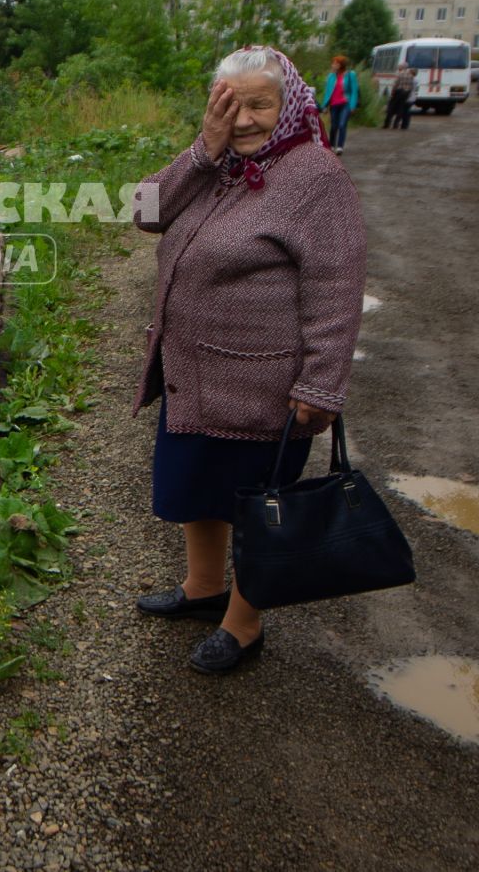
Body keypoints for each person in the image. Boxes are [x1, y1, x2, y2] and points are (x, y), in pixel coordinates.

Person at [130, 46, 367, 675]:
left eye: (259, 104)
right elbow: (141, 212)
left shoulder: (315, 177)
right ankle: (204, 588)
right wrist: (201, 150)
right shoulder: (217, 165)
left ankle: (245, 622)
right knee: (196, 490)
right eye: (228, 105)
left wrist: (322, 383)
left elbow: (336, 288)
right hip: (194, 376)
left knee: (254, 502)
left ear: (289, 103)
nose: (243, 120)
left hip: (265, 384)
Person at [320, 55, 357, 155]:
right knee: (334, 126)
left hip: (345, 103)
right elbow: (327, 92)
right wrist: (324, 106)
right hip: (334, 104)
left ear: (340, 65)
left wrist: (353, 105)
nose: (333, 65)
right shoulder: (331, 77)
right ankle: (332, 145)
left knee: (342, 124)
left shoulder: (350, 75)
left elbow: (354, 91)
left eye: (335, 63)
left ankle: (340, 146)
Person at [386, 62, 416, 130]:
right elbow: (411, 86)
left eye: (399, 67)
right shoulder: (410, 75)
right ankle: (396, 124)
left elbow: (396, 84)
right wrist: (408, 93)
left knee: (391, 108)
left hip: (398, 92)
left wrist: (393, 92)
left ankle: (387, 124)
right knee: (401, 109)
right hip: (406, 94)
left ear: (402, 67)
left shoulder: (400, 74)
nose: (398, 68)